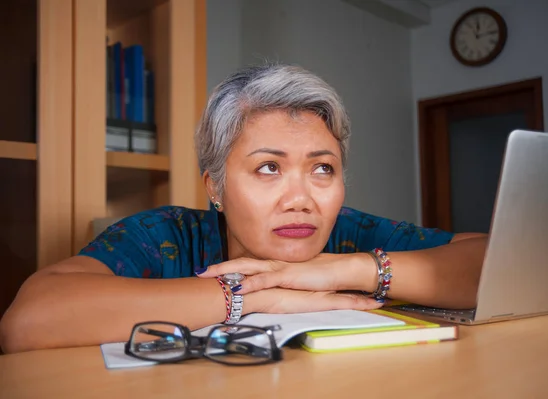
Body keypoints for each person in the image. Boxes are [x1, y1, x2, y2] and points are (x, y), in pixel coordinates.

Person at [0, 64, 487, 354]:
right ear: (215, 186)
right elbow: (29, 320)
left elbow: (493, 260)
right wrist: (252, 297)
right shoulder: (162, 232)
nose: (301, 199)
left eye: (322, 169)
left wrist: (349, 268)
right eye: (268, 168)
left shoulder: (349, 233)